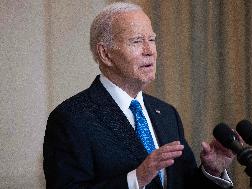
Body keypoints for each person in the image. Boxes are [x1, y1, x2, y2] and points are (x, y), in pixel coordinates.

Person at [43, 2, 235, 189]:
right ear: (105, 54)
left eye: (152, 40)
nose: (150, 51)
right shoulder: (71, 118)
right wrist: (135, 179)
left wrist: (211, 171)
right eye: (136, 41)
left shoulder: (167, 114)